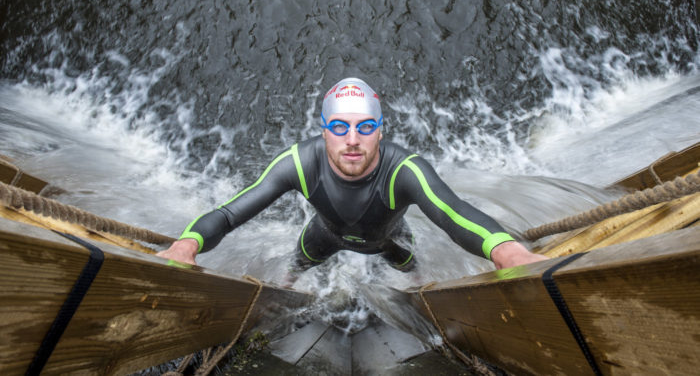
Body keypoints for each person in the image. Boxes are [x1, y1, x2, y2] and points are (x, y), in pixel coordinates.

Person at [157, 78, 547, 274]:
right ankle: (286, 291)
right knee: (295, 272)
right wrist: (186, 246)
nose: (353, 140)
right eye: (340, 128)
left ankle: (419, 295)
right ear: (324, 129)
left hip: (391, 242)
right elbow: (229, 214)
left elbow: (452, 211)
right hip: (322, 236)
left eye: (365, 127)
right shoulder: (298, 163)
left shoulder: (404, 170)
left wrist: (507, 251)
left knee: (413, 275)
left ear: (380, 130)